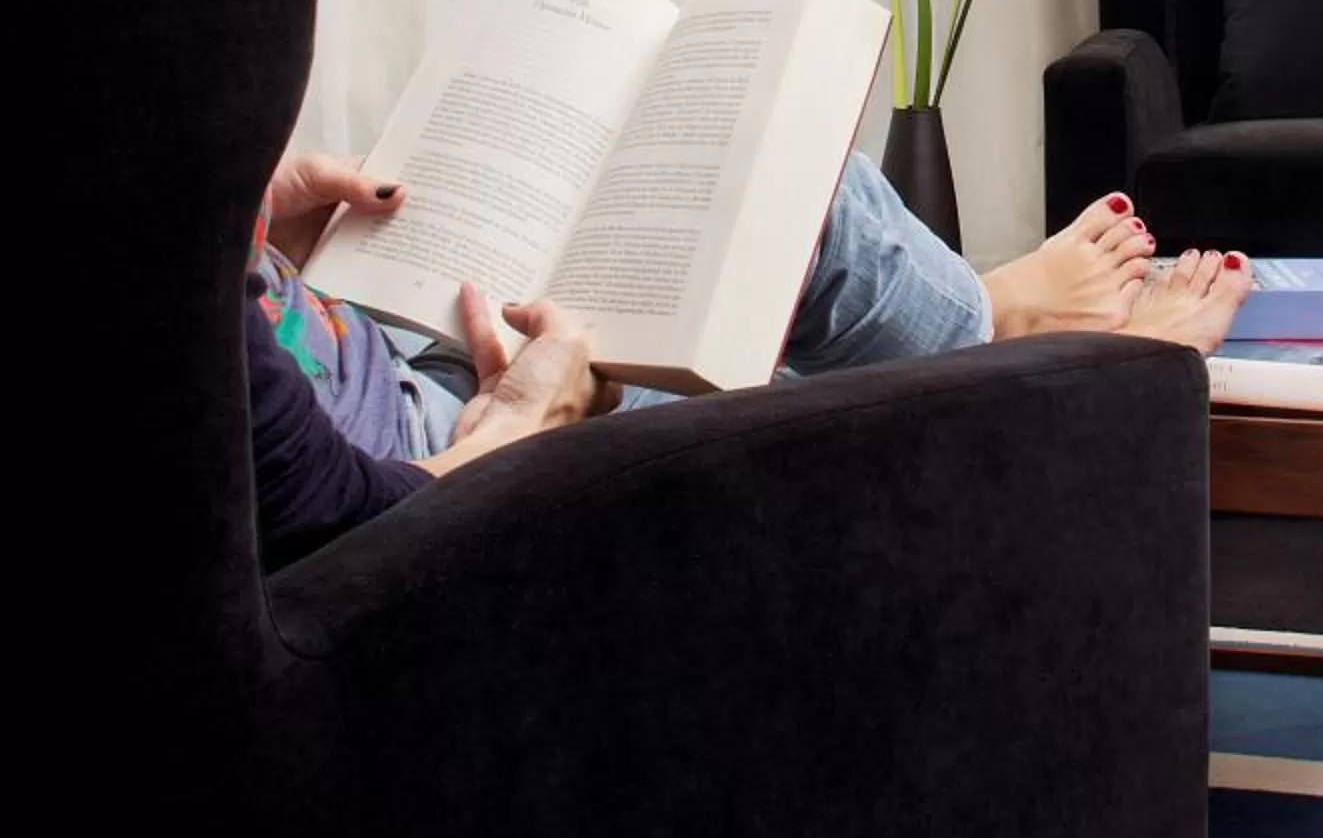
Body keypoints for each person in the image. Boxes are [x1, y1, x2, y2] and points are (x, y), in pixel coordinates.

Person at [247, 146, 1251, 566]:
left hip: (382, 362)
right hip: (440, 446)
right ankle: (1008, 340)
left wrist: (267, 238)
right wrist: (523, 422)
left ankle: (990, 324)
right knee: (791, 201)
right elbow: (353, 527)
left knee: (776, 217)